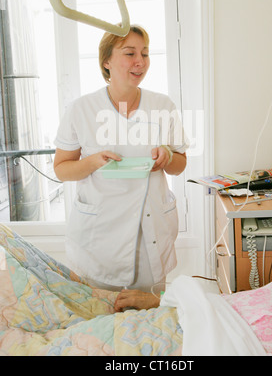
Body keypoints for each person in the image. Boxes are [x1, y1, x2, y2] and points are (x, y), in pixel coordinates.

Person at [54, 24, 189, 310]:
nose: (140, 61)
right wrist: (93, 161)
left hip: (150, 232)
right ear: (106, 61)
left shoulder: (163, 106)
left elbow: (180, 164)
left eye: (145, 53)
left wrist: (166, 156)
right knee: (99, 317)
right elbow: (61, 169)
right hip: (99, 236)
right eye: (130, 53)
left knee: (152, 318)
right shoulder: (81, 109)